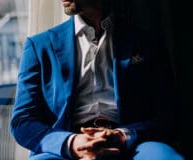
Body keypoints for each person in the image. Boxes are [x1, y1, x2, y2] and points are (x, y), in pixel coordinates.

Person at [10, 0, 184, 159]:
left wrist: (124, 135)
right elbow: (22, 122)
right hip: (64, 149)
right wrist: (72, 143)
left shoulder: (147, 42)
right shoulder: (39, 46)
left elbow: (169, 116)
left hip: (133, 145)